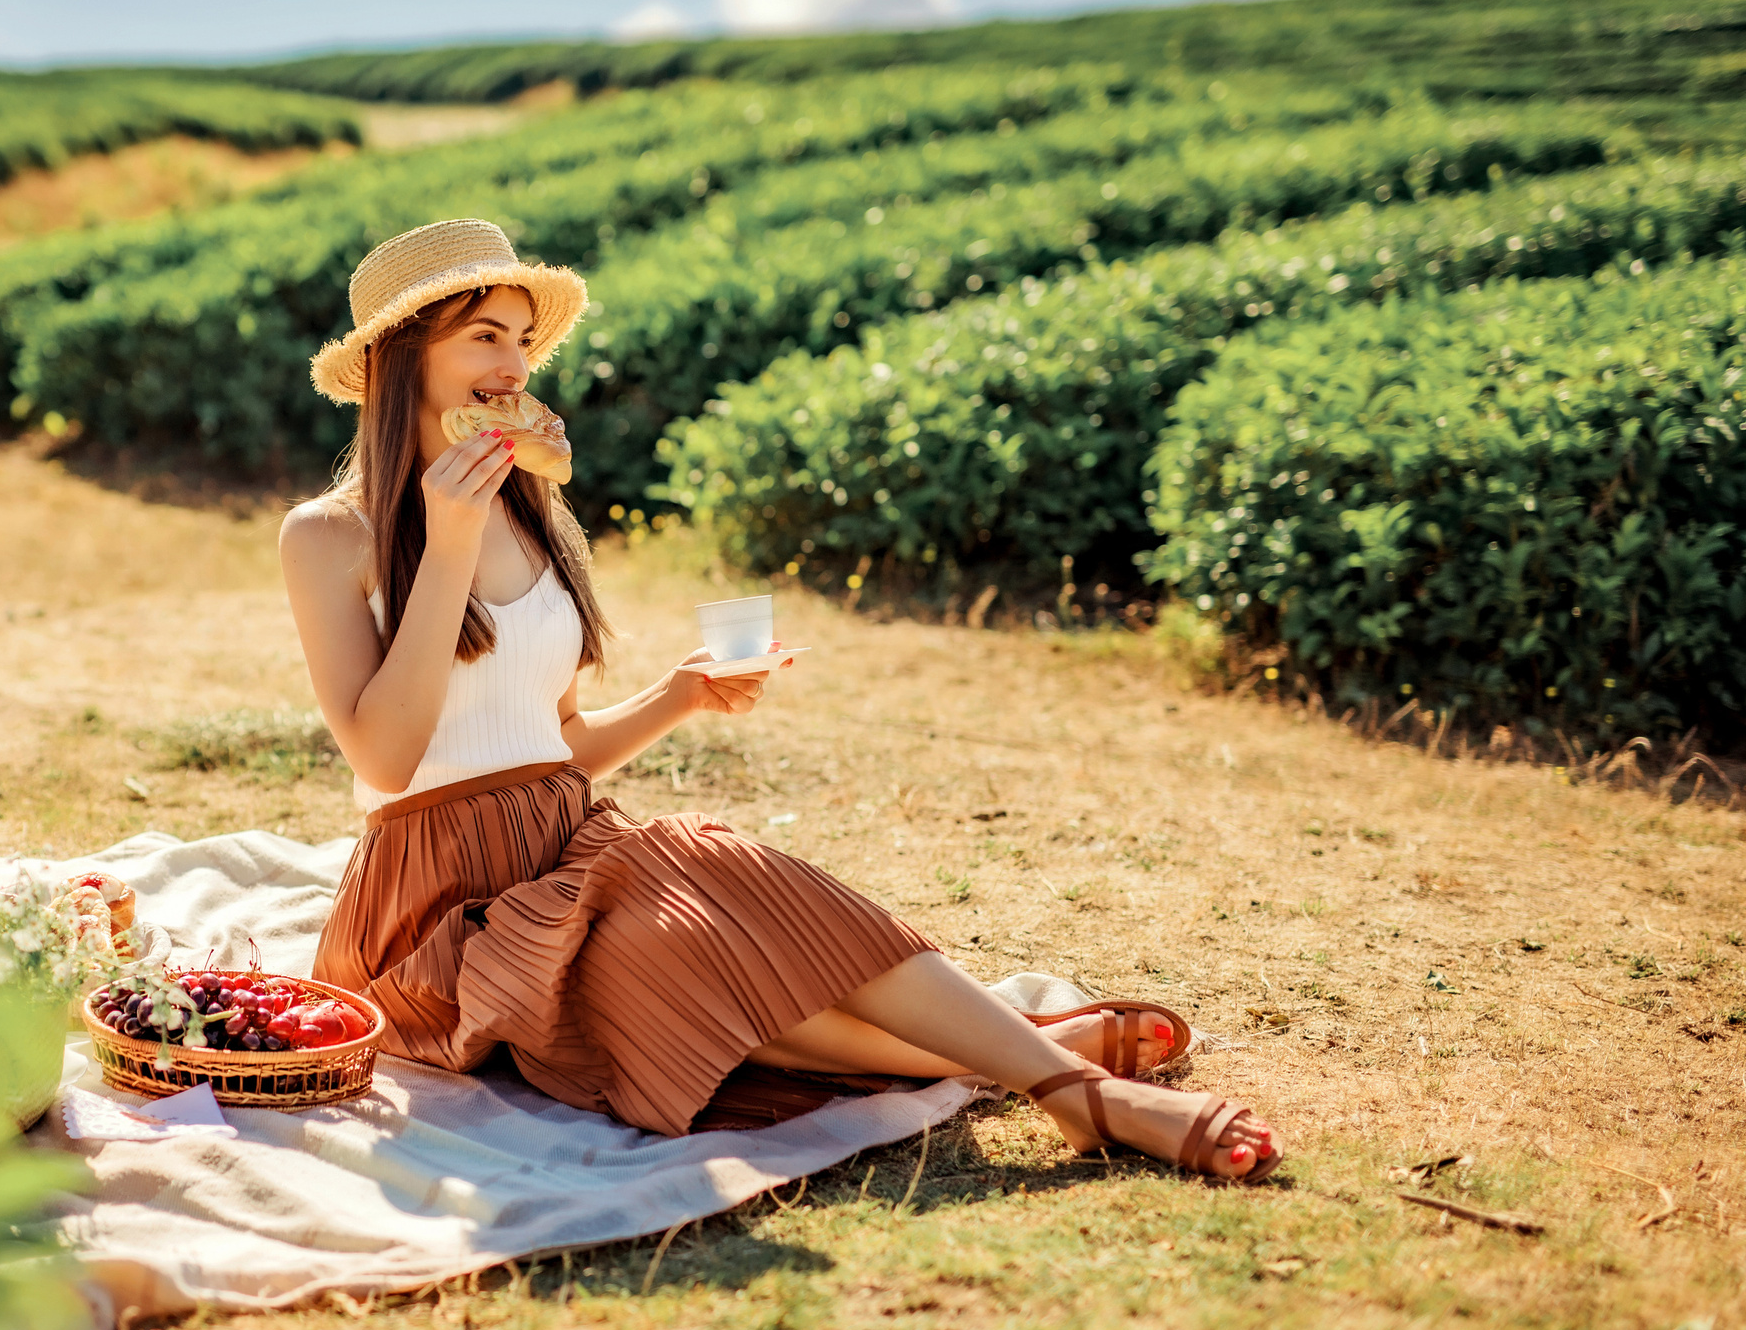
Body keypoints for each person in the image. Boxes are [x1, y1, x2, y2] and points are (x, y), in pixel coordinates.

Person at [280, 219, 1278, 1178]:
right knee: (673, 950)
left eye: (525, 338)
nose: (515, 364)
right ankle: (1049, 1070)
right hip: (432, 913)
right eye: (483, 336)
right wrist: (444, 547)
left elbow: (554, 748)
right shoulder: (328, 536)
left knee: (698, 908)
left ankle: (1053, 1080)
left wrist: (676, 695)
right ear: (397, 360)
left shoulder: (539, 517)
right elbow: (387, 760)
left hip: (567, 849)